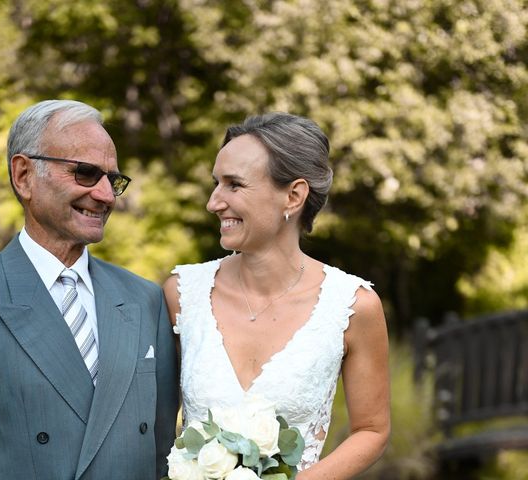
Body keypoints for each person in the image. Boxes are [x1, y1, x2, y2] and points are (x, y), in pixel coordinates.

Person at [0, 100, 178, 480]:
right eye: (85, 173)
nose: (106, 196)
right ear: (24, 175)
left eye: (112, 180)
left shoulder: (145, 299)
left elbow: (163, 457)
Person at [164, 112, 390, 478]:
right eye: (216, 184)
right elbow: (152, 425)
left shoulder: (352, 306)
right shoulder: (182, 295)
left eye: (233, 185)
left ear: (294, 195)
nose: (213, 202)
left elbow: (372, 430)